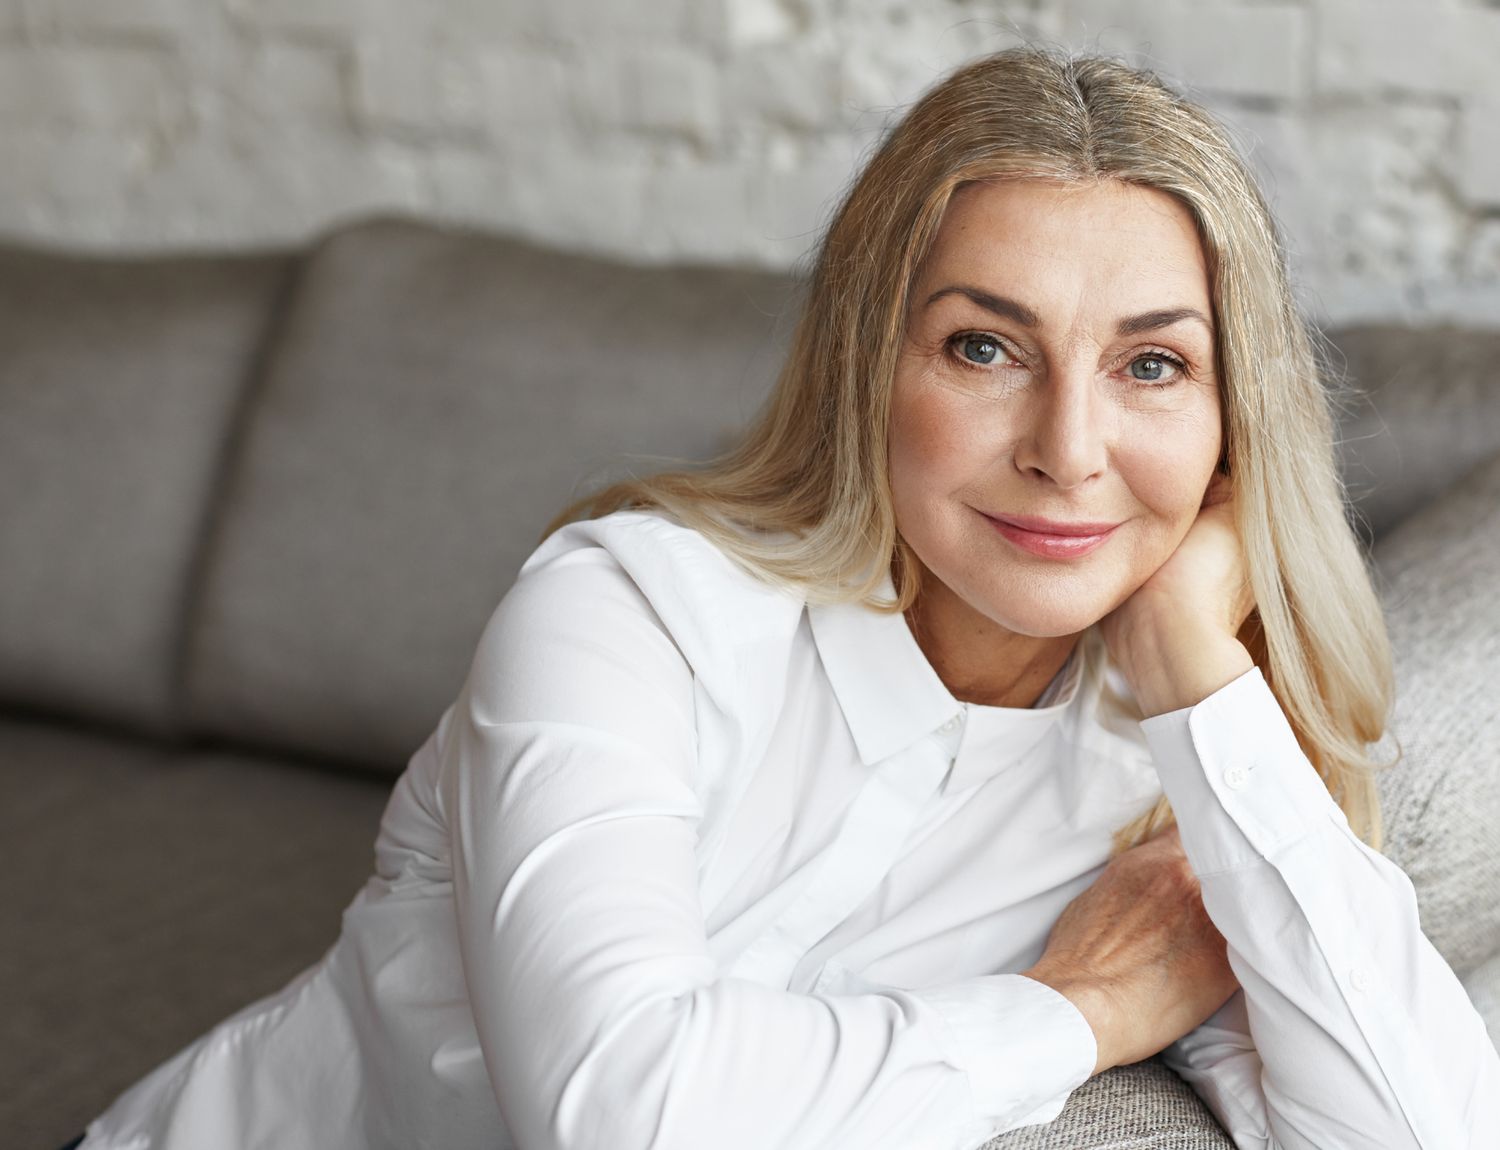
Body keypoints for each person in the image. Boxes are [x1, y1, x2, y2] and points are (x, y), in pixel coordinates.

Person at [70, 45, 1499, 1150]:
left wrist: (1194, 664)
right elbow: (622, 1108)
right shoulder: (628, 611)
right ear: (869, 364)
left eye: (1151, 366)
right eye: (986, 347)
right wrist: (1078, 1012)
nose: (1070, 449)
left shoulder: (1171, 772)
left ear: (1234, 420)